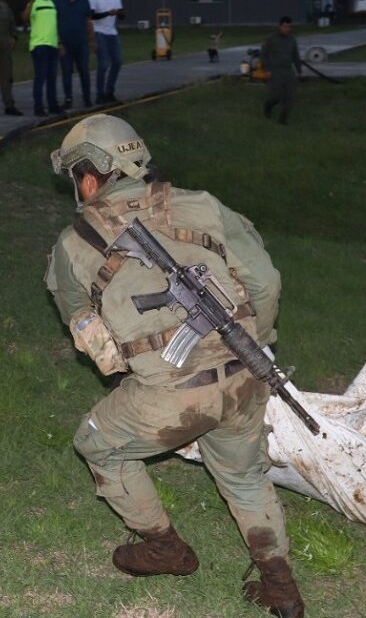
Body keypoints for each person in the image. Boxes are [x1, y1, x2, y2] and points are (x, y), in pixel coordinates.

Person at [45, 115, 304, 618]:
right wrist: (258, 342)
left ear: (91, 176)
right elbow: (266, 283)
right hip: (243, 377)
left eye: (76, 177)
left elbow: (84, 329)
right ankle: (281, 586)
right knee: (245, 475)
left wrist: (127, 364)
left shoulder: (73, 244)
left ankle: (164, 547)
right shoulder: (203, 205)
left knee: (96, 443)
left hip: (169, 396)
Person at [23, 0, 61, 116]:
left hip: (52, 44)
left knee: (52, 77)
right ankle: (38, 107)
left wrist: (59, 42)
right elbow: (25, 18)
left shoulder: (52, 3)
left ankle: (53, 105)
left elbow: (54, 25)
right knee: (40, 77)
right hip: (39, 45)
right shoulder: (34, 3)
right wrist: (31, 1)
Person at [55, 0, 94, 109]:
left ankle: (87, 98)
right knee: (66, 72)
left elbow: (89, 20)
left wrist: (91, 39)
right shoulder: (58, 1)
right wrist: (59, 43)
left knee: (84, 71)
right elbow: (54, 23)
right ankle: (68, 99)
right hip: (65, 44)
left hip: (82, 43)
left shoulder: (84, 0)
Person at [87, 0, 124, 104]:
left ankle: (109, 92)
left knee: (118, 61)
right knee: (103, 64)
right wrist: (108, 13)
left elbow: (122, 15)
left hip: (112, 32)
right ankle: (100, 94)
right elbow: (91, 16)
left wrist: (119, 13)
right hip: (99, 31)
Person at [260, 17, 302, 125]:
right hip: (274, 70)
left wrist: (299, 70)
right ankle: (268, 106)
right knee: (276, 96)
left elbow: (295, 56)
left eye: (289, 27)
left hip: (288, 71)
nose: (287, 29)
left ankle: (283, 120)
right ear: (280, 26)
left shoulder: (292, 39)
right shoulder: (271, 39)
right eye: (285, 27)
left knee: (290, 98)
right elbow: (263, 55)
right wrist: (267, 69)